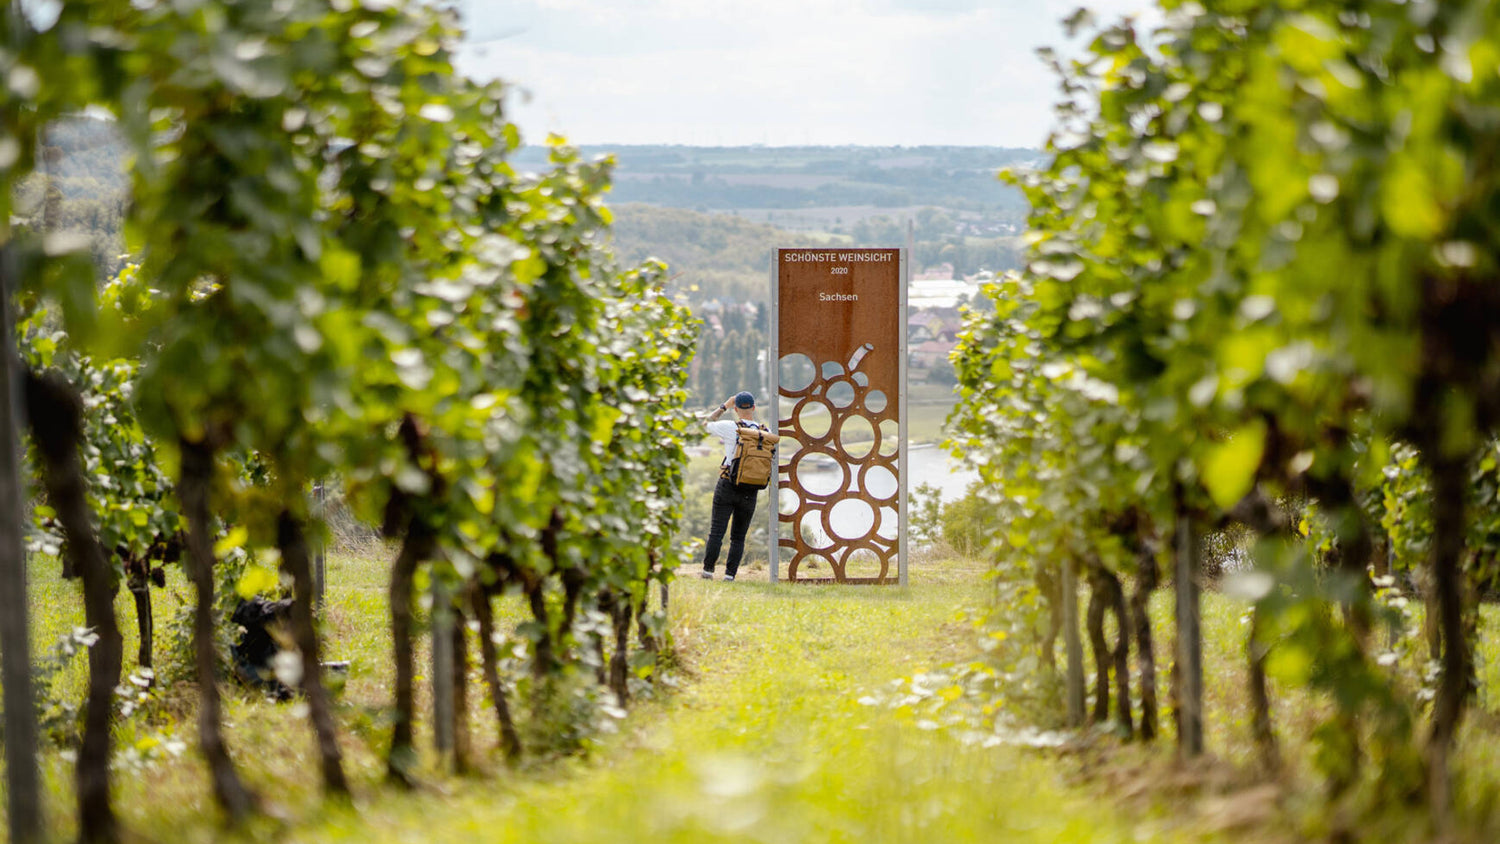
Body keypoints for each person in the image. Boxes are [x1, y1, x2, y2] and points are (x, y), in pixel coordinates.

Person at [700, 390, 770, 582]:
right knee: (738, 537)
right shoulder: (765, 432)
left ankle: (707, 572)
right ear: (754, 408)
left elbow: (703, 425)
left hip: (728, 485)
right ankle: (730, 576)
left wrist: (724, 406)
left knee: (717, 531)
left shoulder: (731, 427)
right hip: (751, 489)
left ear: (736, 409)